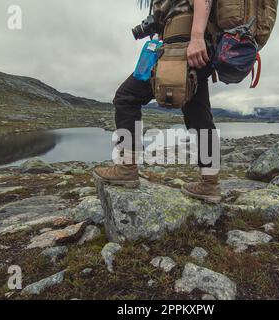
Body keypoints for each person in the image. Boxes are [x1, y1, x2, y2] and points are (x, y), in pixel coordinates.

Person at [93, 0, 221, 203]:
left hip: (183, 46)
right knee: (199, 115)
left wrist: (196, 37)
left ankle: (127, 167)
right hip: (182, 46)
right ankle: (210, 182)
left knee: (126, 97)